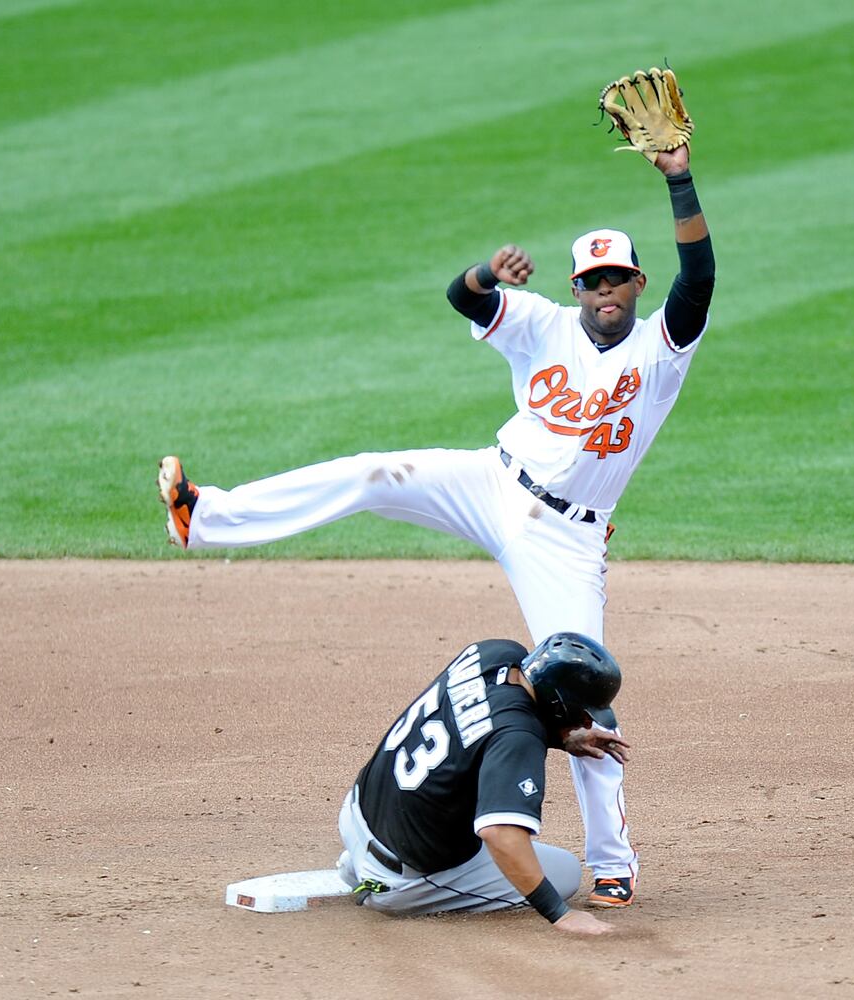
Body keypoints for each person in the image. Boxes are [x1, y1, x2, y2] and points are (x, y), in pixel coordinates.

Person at [157, 140, 713, 907]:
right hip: (489, 480)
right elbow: (464, 296)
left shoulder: (661, 349)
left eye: (616, 277)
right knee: (369, 474)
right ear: (577, 287)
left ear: (636, 282)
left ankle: (613, 860)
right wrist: (489, 273)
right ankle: (202, 517)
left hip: (567, 536)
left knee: (585, 694)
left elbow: (701, 280)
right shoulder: (543, 324)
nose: (603, 291)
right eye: (590, 280)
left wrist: (679, 179)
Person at [336, 632, 630, 935]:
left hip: (356, 813)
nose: (585, 723)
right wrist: (560, 914)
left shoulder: (492, 653)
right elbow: (500, 834)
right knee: (564, 873)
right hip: (402, 877)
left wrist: (558, 737)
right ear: (557, 701)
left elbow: (482, 723)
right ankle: (379, 886)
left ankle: (355, 863)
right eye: (582, 712)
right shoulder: (519, 738)